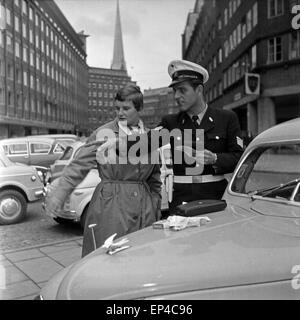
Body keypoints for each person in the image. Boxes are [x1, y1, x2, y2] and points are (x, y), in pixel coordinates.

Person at [98, 60, 244, 214]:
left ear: (199, 89)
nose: (176, 96)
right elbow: (145, 143)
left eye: (182, 90)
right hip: (182, 202)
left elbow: (239, 159)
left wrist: (214, 158)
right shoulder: (171, 123)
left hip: (216, 199)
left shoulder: (226, 118)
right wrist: (118, 143)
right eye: (175, 91)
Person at [44, 84, 162, 257]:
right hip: (111, 206)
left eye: (126, 108)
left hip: (145, 208)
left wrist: (155, 204)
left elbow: (155, 177)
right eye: (117, 108)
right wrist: (60, 193)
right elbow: (79, 165)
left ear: (139, 108)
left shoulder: (149, 137)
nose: (120, 113)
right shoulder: (104, 133)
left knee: (142, 258)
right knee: (111, 259)